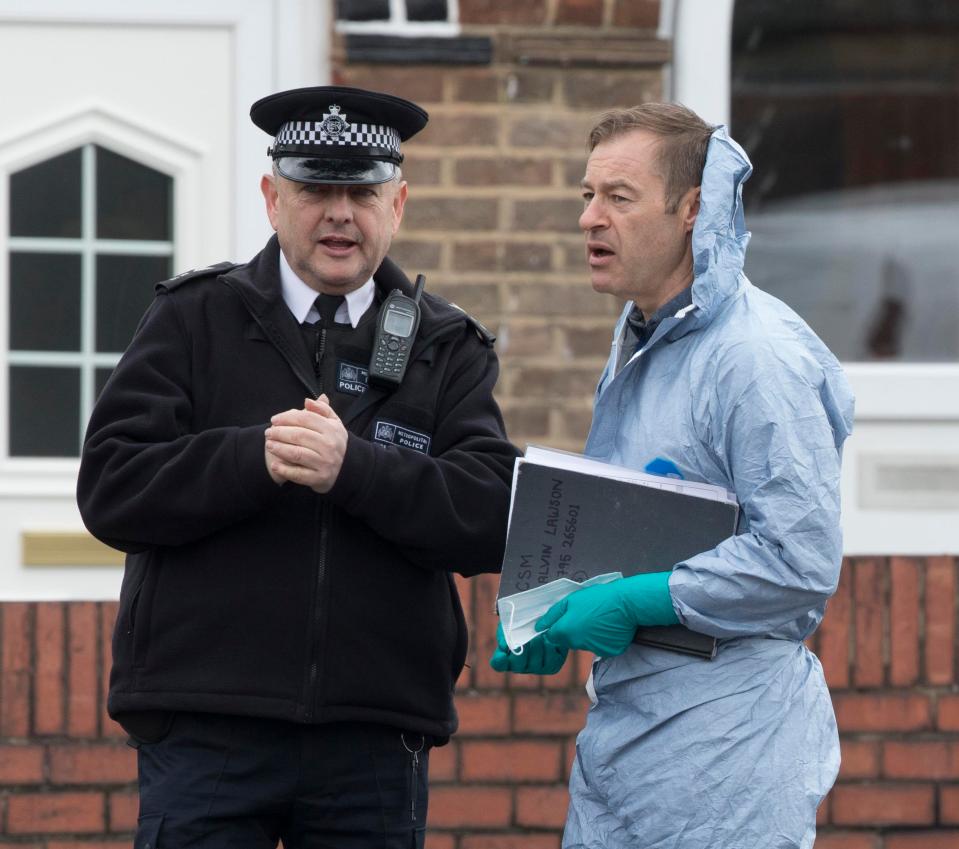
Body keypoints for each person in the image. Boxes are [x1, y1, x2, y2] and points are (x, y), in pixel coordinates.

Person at [77, 85, 518, 849]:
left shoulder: (445, 346)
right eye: (315, 187)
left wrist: (358, 471)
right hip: (206, 729)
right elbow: (112, 487)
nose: (339, 213)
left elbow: (492, 515)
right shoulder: (191, 318)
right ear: (272, 197)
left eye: (362, 192)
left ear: (399, 203)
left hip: (373, 739)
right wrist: (253, 456)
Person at [490, 103, 854, 848]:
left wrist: (638, 598)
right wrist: (553, 609)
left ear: (691, 209)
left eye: (617, 198)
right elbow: (641, 517)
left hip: (728, 758)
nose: (590, 218)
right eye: (586, 195)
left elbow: (799, 558)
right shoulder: (642, 339)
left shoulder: (753, 357)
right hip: (636, 745)